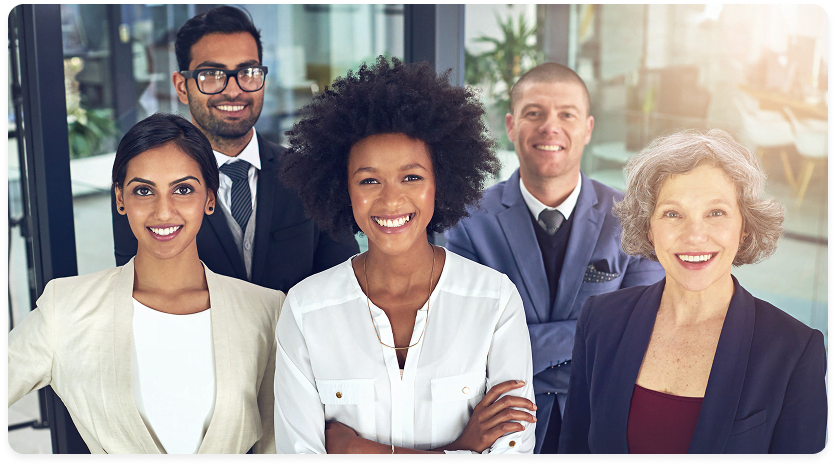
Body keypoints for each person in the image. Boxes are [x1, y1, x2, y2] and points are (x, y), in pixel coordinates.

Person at [273, 57, 536, 454]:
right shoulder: (306, 309)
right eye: (369, 180)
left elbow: (512, 450)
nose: (392, 199)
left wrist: (357, 449)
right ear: (343, 189)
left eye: (412, 177)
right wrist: (462, 447)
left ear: (440, 183)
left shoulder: (494, 302)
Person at [9, 114, 283, 454]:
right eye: (143, 190)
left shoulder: (265, 310)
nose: (163, 212)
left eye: (183, 189)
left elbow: (275, 445)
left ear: (209, 198)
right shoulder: (66, 307)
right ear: (120, 199)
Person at [558, 129, 826, 454]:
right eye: (673, 214)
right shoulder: (600, 319)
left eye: (716, 213)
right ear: (649, 228)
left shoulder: (794, 349)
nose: (695, 235)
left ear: (744, 227)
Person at [444, 62, 665, 452]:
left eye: (567, 114)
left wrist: (517, 348)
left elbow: (646, 330)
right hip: (504, 428)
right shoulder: (469, 222)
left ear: (587, 129)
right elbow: (468, 343)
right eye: (534, 113)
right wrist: (595, 334)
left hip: (605, 422)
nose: (550, 126)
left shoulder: (634, 217)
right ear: (511, 126)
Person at [111, 6, 358, 292]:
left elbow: (343, 280)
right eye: (212, 74)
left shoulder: (310, 173)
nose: (233, 90)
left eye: (248, 72)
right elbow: (137, 287)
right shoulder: (144, 186)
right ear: (181, 86)